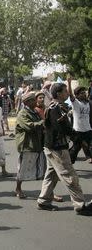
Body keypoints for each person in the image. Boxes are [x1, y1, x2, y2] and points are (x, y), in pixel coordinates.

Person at [37, 83, 92, 215]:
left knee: (51, 175)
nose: (67, 93)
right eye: (65, 91)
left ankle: (43, 201)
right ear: (58, 93)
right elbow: (62, 128)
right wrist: (79, 139)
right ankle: (80, 205)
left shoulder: (57, 107)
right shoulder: (55, 108)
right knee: (70, 176)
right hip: (57, 147)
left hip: (52, 146)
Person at [14, 92, 45, 199]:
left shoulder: (35, 112)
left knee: (42, 169)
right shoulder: (23, 113)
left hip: (37, 144)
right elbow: (29, 126)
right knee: (23, 168)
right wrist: (43, 123)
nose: (36, 101)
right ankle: (18, 188)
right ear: (27, 102)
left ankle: (47, 192)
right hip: (27, 145)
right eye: (33, 100)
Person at [67, 77, 92, 164]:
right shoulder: (76, 103)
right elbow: (70, 94)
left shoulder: (88, 103)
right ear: (77, 95)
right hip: (78, 130)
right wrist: (69, 83)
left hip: (88, 129)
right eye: (81, 93)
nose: (84, 94)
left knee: (89, 145)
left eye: (84, 93)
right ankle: (69, 162)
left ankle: (89, 157)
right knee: (76, 148)